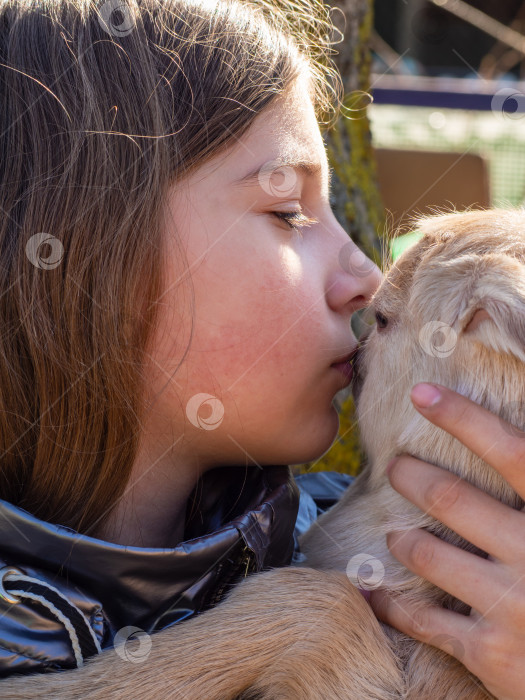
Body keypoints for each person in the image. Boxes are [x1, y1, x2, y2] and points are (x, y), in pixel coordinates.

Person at [0, 0, 523, 697]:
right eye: (289, 212)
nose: (366, 276)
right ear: (89, 254)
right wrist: (300, 638)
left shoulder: (351, 536)